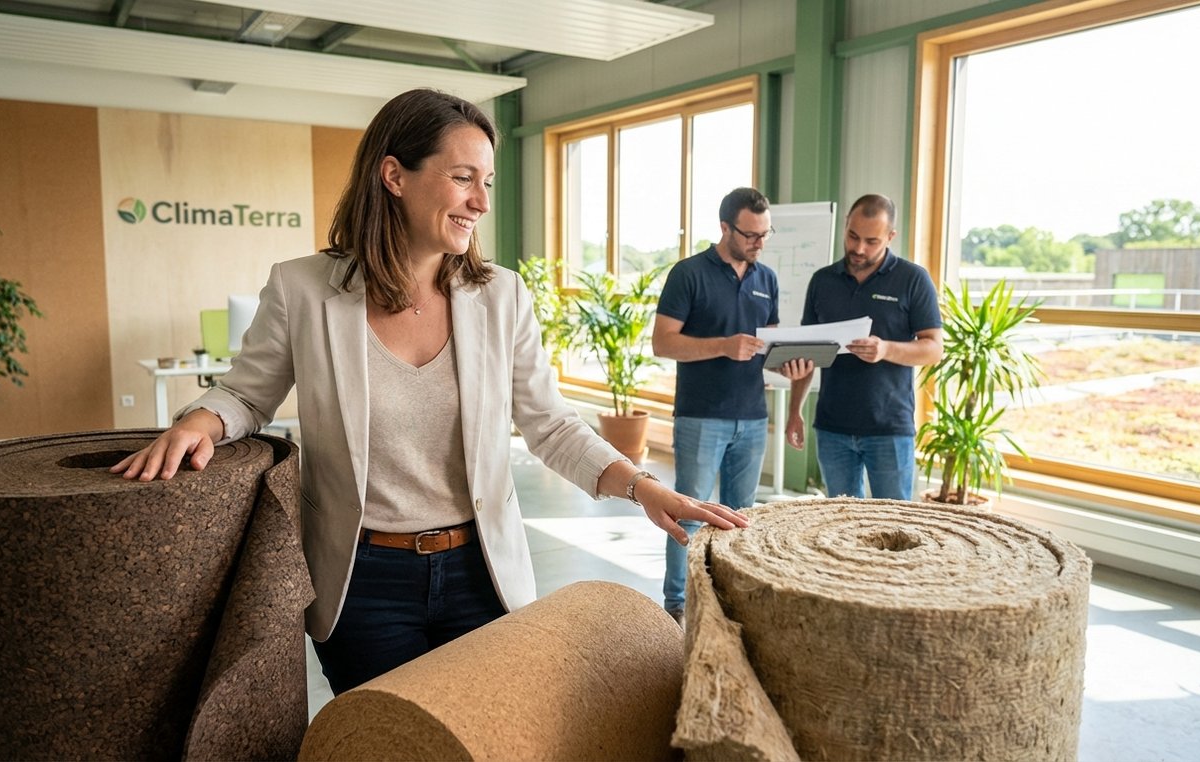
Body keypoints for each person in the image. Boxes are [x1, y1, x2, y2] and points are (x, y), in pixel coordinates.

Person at [111, 88, 748, 694]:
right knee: (390, 741)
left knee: (478, 739)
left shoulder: (501, 296)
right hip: (363, 582)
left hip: (481, 573)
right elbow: (248, 397)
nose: (481, 202)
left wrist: (639, 486)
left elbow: (549, 424)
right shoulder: (302, 290)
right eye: (463, 177)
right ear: (394, 175)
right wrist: (200, 422)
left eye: (487, 183)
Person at [651, 187, 814, 621]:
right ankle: (677, 607)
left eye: (765, 234)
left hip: (753, 416)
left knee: (740, 519)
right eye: (750, 235)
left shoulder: (767, 279)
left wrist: (792, 365)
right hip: (701, 417)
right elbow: (663, 343)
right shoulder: (688, 274)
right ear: (725, 228)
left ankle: (729, 600)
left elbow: (771, 345)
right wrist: (723, 345)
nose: (759, 243)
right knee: (687, 515)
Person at [785, 193, 943, 500]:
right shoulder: (822, 281)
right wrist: (795, 411)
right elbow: (808, 350)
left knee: (894, 526)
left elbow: (934, 349)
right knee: (842, 528)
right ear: (845, 226)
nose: (859, 248)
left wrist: (886, 350)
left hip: (889, 429)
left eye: (871, 241)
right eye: (853, 236)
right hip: (832, 428)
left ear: (890, 236)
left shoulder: (913, 279)